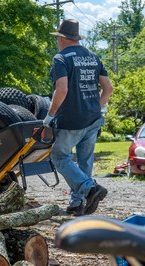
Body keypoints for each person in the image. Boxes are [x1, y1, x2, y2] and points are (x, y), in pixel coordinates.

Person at [44, 19, 114, 216]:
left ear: (62, 38)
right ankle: (78, 203)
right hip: (93, 119)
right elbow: (108, 89)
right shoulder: (93, 57)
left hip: (71, 121)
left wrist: (49, 116)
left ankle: (89, 188)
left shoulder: (61, 58)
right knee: (85, 161)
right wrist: (93, 106)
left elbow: (62, 89)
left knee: (59, 156)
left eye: (58, 38)